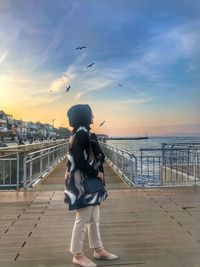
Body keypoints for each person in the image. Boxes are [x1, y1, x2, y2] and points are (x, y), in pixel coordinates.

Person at [64, 104, 118, 267]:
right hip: (82, 184)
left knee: (94, 218)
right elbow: (79, 161)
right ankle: (77, 254)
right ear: (84, 116)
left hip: (88, 184)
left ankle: (98, 249)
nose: (93, 117)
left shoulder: (83, 133)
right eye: (91, 114)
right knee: (82, 219)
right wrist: (97, 173)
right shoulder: (81, 135)